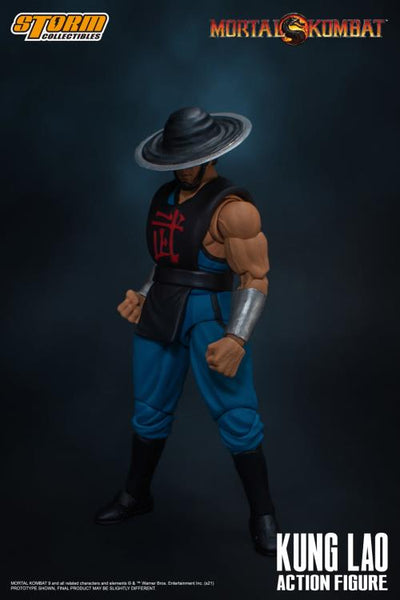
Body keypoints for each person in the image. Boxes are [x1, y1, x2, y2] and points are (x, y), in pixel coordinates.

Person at [95, 107, 278, 556]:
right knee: (149, 410)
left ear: (211, 155)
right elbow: (168, 259)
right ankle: (136, 495)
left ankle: (263, 515)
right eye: (175, 160)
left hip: (209, 313)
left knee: (237, 415)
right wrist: (143, 293)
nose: (181, 168)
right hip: (161, 306)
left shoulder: (234, 211)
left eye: (189, 160)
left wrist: (236, 337)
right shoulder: (165, 196)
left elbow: (254, 277)